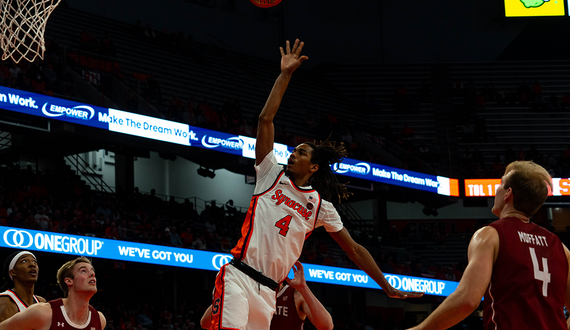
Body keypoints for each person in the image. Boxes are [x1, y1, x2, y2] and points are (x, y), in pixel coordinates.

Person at [208, 39, 422, 330]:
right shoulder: (271, 174)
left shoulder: (321, 207)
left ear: (314, 167)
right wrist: (285, 74)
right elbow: (265, 119)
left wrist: (385, 285)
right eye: (294, 150)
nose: (293, 154)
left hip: (270, 291)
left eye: (301, 152)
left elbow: (355, 250)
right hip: (239, 275)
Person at [407, 161, 570, 330]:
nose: (496, 190)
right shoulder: (561, 248)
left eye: (500, 184)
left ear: (508, 193)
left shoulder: (490, 235)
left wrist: (420, 329)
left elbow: (467, 300)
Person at [201, 261, 333, 330]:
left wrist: (303, 288)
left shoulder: (295, 293)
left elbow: (327, 326)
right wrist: (230, 291)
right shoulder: (247, 290)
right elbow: (206, 323)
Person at [0, 256, 106, 330]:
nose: (92, 274)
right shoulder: (43, 313)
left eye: (92, 271)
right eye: (83, 271)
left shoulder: (100, 319)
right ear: (69, 281)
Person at [0, 251, 46, 322]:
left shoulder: (42, 301)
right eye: (24, 261)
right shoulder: (4, 301)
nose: (32, 265)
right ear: (13, 272)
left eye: (34, 261)